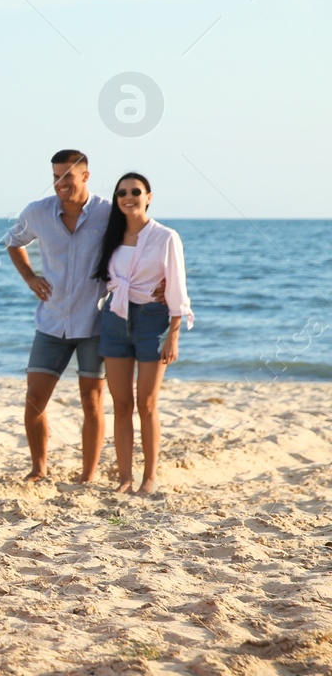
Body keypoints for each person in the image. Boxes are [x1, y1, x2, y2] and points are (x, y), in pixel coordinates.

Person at [4, 150, 112, 483]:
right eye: (55, 176)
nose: (60, 183)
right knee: (35, 397)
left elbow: (136, 245)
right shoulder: (37, 212)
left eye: (67, 176)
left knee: (91, 401)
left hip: (94, 323)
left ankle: (88, 474)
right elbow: (13, 242)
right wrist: (30, 278)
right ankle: (38, 468)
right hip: (50, 322)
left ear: (85, 176)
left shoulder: (108, 213)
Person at [94, 172, 192, 495]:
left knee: (147, 402)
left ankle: (149, 477)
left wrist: (174, 334)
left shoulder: (166, 237)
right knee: (121, 404)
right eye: (122, 192)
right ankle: (125, 477)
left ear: (148, 196)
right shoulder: (109, 235)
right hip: (114, 317)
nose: (128, 196)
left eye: (136, 191)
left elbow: (177, 287)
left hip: (152, 319)